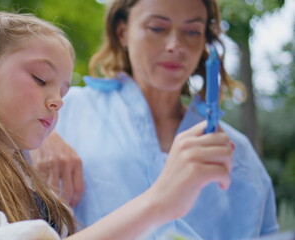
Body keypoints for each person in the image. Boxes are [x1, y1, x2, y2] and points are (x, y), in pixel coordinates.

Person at [0, 11, 234, 240]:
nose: (58, 99)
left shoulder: (36, 190)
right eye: (41, 79)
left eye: (63, 89)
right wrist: (159, 203)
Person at [30, 0, 279, 239]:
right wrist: (36, 135)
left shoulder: (239, 153)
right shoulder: (61, 114)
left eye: (192, 31)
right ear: (122, 32)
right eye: (157, 28)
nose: (175, 45)